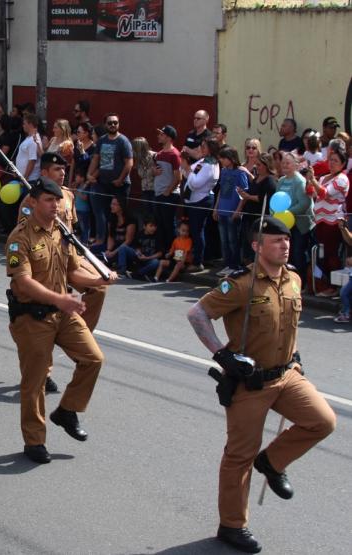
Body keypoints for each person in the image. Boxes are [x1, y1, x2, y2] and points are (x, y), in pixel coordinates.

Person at [186, 215, 336, 554]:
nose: (284, 245)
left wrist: (294, 356)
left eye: (285, 240)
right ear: (257, 246)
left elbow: (288, 326)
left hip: (286, 375)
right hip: (250, 383)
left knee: (322, 421)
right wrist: (223, 356)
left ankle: (272, 462)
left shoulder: (294, 279)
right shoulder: (241, 284)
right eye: (275, 241)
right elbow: (197, 314)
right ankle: (232, 526)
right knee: (239, 456)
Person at [6, 178, 118, 464]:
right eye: (48, 200)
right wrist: (61, 300)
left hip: (61, 312)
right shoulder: (20, 238)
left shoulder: (61, 233)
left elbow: (71, 274)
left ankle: (67, 410)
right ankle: (34, 441)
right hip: (33, 317)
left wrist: (97, 280)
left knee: (93, 358)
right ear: (32, 202)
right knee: (35, 381)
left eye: (58, 201)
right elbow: (24, 282)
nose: (55, 205)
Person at [86, 113, 133, 244]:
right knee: (101, 213)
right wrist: (89, 174)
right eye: (110, 123)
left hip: (120, 185)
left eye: (115, 122)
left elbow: (129, 163)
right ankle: (102, 240)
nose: (113, 125)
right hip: (103, 183)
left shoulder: (123, 141)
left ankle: (120, 244)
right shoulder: (101, 140)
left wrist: (120, 179)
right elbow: (96, 159)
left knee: (119, 215)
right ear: (105, 124)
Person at [310, 145, 349, 296]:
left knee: (331, 253)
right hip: (319, 221)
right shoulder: (324, 177)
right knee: (321, 254)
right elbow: (313, 193)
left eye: (336, 161)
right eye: (330, 160)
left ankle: (334, 287)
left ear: (343, 164)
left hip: (332, 222)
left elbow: (324, 193)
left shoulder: (342, 179)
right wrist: (310, 181)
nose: (331, 163)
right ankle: (322, 283)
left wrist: (312, 180)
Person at [183, 138, 222, 272]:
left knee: (198, 231)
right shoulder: (204, 161)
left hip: (201, 200)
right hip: (193, 200)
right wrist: (186, 168)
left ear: (211, 148)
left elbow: (195, 183)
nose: (201, 148)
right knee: (195, 231)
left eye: (204, 146)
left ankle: (198, 262)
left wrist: (188, 169)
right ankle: (193, 259)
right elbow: (187, 173)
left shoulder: (211, 165)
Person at [276, 152, 315, 280]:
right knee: (287, 253)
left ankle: (301, 280)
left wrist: (287, 213)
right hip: (285, 224)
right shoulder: (281, 181)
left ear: (295, 165)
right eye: (283, 163)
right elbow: (275, 200)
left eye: (288, 163)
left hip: (299, 224)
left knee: (298, 252)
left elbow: (304, 203)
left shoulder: (300, 181)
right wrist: (275, 213)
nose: (284, 165)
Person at [214, 146, 249, 275]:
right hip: (222, 210)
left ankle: (235, 265)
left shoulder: (240, 173)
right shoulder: (223, 171)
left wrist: (238, 210)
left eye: (223, 158)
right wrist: (216, 208)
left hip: (232, 212)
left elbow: (244, 194)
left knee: (233, 240)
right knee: (224, 240)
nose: (221, 160)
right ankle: (227, 264)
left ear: (231, 158)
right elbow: (220, 191)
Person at [152, 125, 182, 253]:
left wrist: (168, 191)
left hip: (168, 195)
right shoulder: (159, 154)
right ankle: (163, 253)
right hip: (158, 193)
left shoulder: (175, 154)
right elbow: (156, 171)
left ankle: (176, 256)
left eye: (162, 134)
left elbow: (178, 177)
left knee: (170, 226)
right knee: (161, 226)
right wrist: (154, 171)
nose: (159, 136)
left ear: (169, 138)